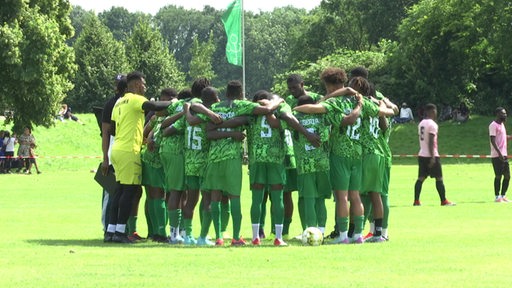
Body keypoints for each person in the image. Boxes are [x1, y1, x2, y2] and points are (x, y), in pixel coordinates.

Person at [104, 71, 171, 244]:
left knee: (118, 191)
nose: (145, 87)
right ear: (134, 85)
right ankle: (120, 232)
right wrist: (174, 102)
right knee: (130, 191)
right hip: (128, 150)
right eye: (143, 84)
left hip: (116, 149)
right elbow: (155, 107)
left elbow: (111, 128)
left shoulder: (119, 102)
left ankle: (110, 231)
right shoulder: (135, 99)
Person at [413, 103, 455, 206]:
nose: (436, 113)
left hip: (422, 154)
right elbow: (431, 141)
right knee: (439, 178)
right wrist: (432, 157)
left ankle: (416, 201)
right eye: (435, 111)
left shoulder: (421, 123)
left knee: (421, 178)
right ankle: (443, 200)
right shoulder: (432, 124)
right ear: (431, 111)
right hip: (431, 155)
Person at [489, 107, 512, 202]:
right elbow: (493, 140)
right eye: (503, 113)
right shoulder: (493, 125)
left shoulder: (502, 125)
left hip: (504, 154)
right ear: (497, 114)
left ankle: (503, 195)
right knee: (498, 175)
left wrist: (510, 137)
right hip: (497, 155)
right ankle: (497, 196)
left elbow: (502, 137)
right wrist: (499, 153)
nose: (505, 115)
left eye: (505, 113)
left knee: (507, 176)